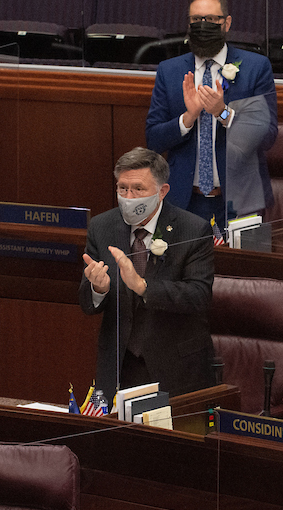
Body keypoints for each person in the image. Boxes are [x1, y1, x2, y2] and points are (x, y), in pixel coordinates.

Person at [80, 146, 214, 399]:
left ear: (162, 191)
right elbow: (88, 304)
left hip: (175, 367)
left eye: (138, 189)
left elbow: (198, 295)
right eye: (122, 188)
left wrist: (143, 286)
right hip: (119, 364)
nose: (129, 197)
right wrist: (98, 288)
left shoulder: (193, 230)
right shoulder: (102, 226)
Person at [146, 0, 278, 226]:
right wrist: (188, 117)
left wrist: (222, 112)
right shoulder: (170, 71)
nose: (203, 25)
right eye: (196, 20)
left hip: (241, 200)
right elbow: (154, 139)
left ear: (226, 23)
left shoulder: (255, 68)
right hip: (184, 200)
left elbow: (267, 136)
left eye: (211, 19)